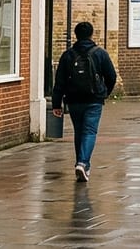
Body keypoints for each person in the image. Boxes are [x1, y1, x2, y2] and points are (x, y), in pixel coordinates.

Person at [51, 21, 117, 182]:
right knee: (89, 131)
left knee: (79, 132)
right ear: (91, 34)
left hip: (73, 100)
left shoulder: (68, 55)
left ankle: (81, 163)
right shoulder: (100, 53)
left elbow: (59, 82)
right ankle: (83, 162)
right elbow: (112, 76)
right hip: (94, 99)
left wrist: (56, 104)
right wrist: (104, 92)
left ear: (76, 35)